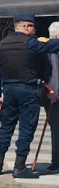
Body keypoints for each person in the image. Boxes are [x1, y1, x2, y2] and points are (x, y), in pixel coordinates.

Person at [0, 14, 59, 178]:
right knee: (26, 129)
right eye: (33, 27)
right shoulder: (31, 44)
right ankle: (19, 167)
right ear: (26, 27)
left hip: (9, 90)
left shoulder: (1, 46)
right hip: (28, 90)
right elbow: (52, 46)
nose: (35, 32)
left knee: (6, 127)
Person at [42, 21, 59, 175]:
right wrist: (49, 90)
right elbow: (45, 74)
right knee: (57, 129)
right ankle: (56, 162)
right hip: (53, 95)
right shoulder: (47, 51)